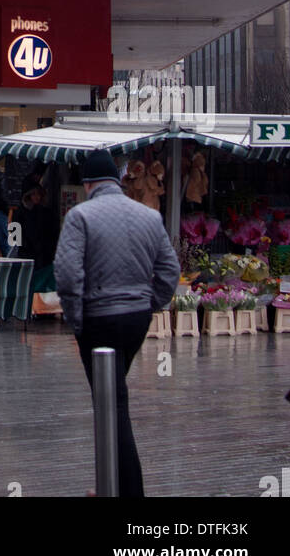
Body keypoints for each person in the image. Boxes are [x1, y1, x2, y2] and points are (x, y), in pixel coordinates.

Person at [53, 150, 180, 497]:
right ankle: (110, 484)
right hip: (136, 318)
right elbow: (170, 271)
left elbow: (66, 274)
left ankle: (125, 490)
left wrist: (77, 320)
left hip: (97, 318)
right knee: (112, 399)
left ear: (88, 184)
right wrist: (150, 303)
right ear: (118, 180)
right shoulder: (149, 216)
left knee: (112, 405)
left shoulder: (80, 216)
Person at [18, 183, 59, 288]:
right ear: (28, 196)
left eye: (38, 194)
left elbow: (53, 232)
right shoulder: (20, 212)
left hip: (43, 253)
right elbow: (14, 235)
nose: (36, 197)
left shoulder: (47, 212)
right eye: (33, 194)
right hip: (27, 253)